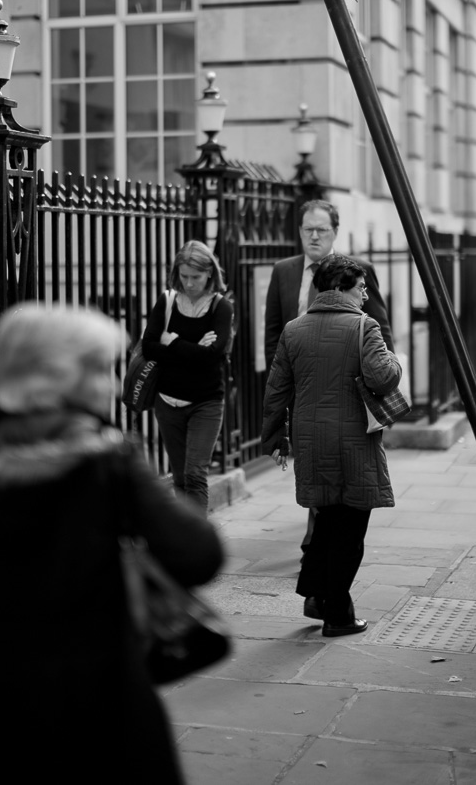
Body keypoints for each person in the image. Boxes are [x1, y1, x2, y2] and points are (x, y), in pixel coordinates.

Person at [0, 303, 224, 785]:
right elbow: (200, 554)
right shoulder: (106, 462)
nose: (112, 385)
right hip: (101, 698)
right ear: (65, 376)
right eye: (100, 370)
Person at [261, 254, 401, 637]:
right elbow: (384, 377)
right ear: (341, 288)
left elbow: (276, 391)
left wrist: (274, 438)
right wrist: (395, 360)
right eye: (361, 287)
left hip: (310, 439)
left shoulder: (293, 330)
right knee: (350, 527)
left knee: (326, 516)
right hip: (354, 439)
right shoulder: (364, 327)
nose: (366, 293)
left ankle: (316, 594)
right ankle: (338, 614)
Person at [143, 240, 233, 511]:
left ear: (210, 274)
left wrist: (172, 343)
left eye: (196, 277)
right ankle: (184, 538)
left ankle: (197, 545)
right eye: (184, 276)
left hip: (206, 402)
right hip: (167, 402)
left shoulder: (221, 307)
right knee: (180, 477)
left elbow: (213, 356)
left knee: (195, 474)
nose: (190, 283)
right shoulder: (167, 301)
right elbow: (149, 348)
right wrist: (194, 349)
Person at [264, 199, 394, 371]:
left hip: (345, 375)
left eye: (322, 230)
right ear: (300, 231)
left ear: (335, 232)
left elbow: (380, 329)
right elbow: (273, 333)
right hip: (296, 376)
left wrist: (386, 372)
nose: (315, 236)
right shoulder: (282, 270)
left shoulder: (358, 270)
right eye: (309, 229)